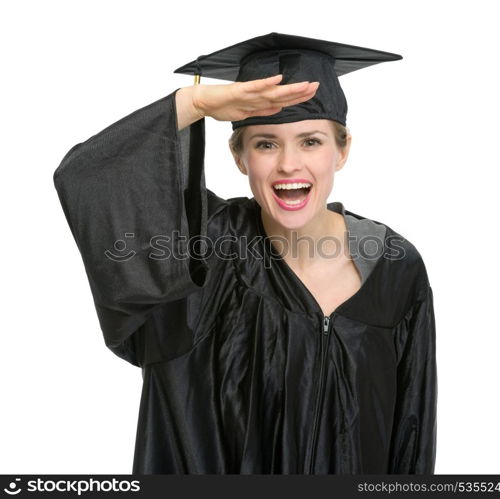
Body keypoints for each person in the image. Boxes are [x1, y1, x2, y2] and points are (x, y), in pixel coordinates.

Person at [53, 33, 437, 474]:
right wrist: (193, 105)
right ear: (239, 157)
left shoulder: (393, 267)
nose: (289, 164)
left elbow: (412, 430)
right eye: (265, 144)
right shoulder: (202, 252)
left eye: (310, 141)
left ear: (342, 150)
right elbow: (87, 180)